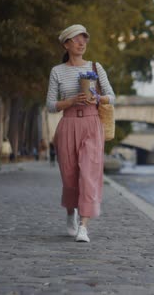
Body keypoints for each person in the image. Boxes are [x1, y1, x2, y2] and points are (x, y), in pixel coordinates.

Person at [46, 24, 115, 242]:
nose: (82, 43)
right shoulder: (57, 71)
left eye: (84, 39)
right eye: (76, 39)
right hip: (67, 125)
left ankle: (83, 227)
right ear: (66, 44)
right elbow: (49, 105)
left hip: (92, 124)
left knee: (89, 174)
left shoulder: (96, 67)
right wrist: (71, 101)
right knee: (70, 178)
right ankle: (70, 213)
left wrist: (98, 98)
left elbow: (111, 96)